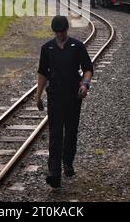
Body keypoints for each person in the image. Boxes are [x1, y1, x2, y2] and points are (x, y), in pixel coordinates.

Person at [36, 15, 94, 189]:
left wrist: (85, 84)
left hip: (73, 96)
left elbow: (88, 69)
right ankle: (54, 173)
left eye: (62, 32)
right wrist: (38, 96)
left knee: (70, 132)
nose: (60, 34)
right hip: (55, 96)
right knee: (55, 135)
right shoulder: (47, 48)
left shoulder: (77, 46)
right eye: (57, 32)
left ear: (67, 30)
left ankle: (67, 162)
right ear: (54, 32)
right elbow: (42, 72)